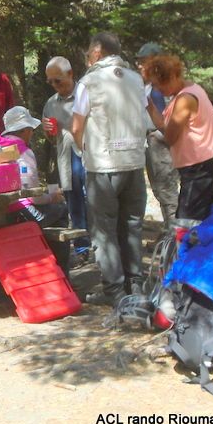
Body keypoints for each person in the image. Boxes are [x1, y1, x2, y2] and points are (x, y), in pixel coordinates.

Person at [72, 32, 148, 306]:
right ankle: (136, 286)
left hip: (103, 165)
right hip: (135, 164)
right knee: (132, 227)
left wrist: (84, 152)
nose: (88, 58)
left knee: (104, 231)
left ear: (97, 52)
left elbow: (77, 126)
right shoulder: (136, 80)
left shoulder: (89, 82)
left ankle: (114, 292)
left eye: (89, 53)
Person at [142, 54, 213, 221]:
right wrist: (148, 105)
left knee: (187, 223)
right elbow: (165, 126)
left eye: (159, 84)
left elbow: (170, 137)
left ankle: (186, 247)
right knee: (188, 220)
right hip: (195, 169)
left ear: (171, 77)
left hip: (197, 170)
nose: (157, 90)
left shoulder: (185, 100)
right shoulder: (188, 92)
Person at [42, 56, 88, 239]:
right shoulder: (51, 104)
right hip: (65, 159)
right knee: (74, 203)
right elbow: (52, 140)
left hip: (89, 156)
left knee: (94, 201)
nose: (54, 84)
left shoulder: (86, 95)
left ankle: (100, 244)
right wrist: (48, 131)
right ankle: (81, 247)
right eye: (50, 81)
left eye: (57, 80)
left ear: (70, 74)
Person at [0, 106, 67, 227]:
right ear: (25, 130)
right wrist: (52, 197)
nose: (31, 133)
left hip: (0, 211)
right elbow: (32, 195)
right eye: (30, 129)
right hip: (21, 210)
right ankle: (48, 246)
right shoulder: (24, 153)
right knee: (61, 208)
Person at [135, 42, 179, 231]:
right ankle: (171, 232)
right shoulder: (150, 86)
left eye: (143, 61)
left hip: (159, 142)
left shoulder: (159, 89)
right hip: (152, 141)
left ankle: (176, 236)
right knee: (161, 192)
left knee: (167, 192)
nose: (139, 66)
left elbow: (163, 121)